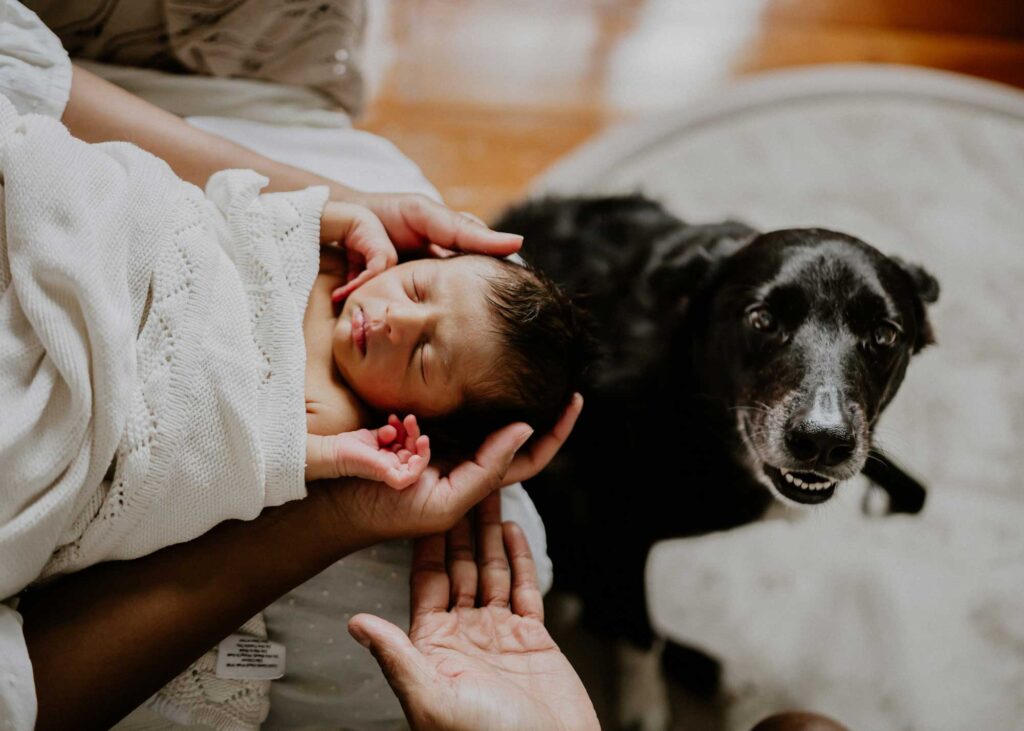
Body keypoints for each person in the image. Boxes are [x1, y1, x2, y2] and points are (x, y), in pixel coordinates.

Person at [305, 244, 587, 486]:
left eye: (422, 358)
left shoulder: (332, 417)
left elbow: (267, 460)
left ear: (419, 422)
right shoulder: (344, 258)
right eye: (415, 289)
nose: (398, 317)